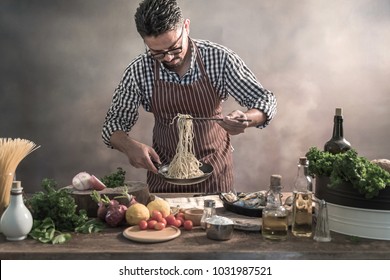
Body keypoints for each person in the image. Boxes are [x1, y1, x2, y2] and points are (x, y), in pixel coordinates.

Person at [102, 0, 277, 193]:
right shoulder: (139, 70)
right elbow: (113, 125)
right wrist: (129, 146)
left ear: (186, 26)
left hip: (215, 176)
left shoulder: (219, 59)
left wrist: (247, 120)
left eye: (174, 48)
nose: (168, 58)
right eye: (157, 53)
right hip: (165, 176)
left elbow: (264, 100)